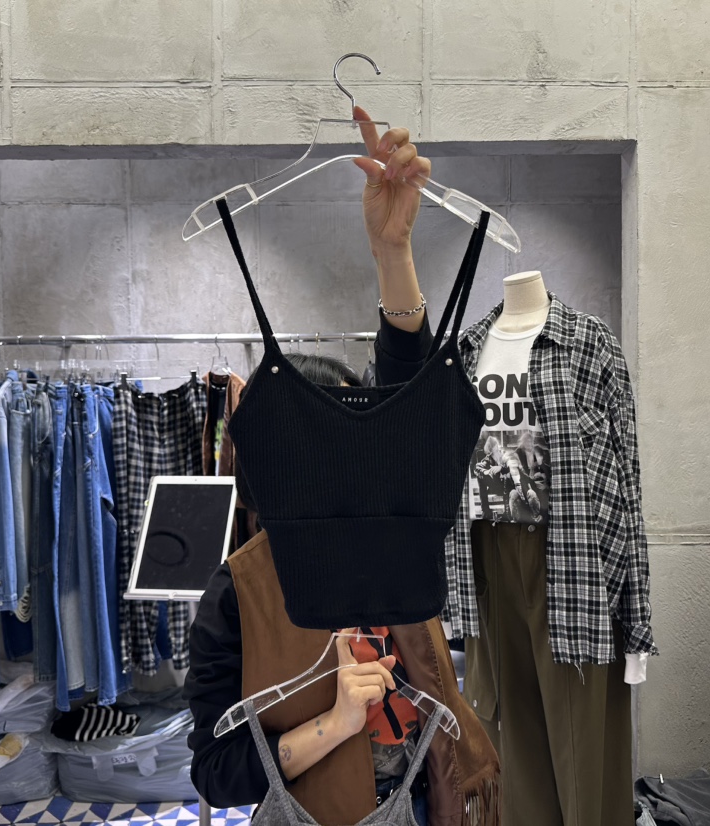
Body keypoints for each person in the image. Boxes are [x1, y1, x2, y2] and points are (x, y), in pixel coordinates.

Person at [184, 110, 500, 826]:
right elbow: (213, 771)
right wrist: (332, 724)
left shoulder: (394, 560)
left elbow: (409, 410)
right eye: (323, 456)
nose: (351, 475)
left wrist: (394, 253)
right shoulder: (240, 594)